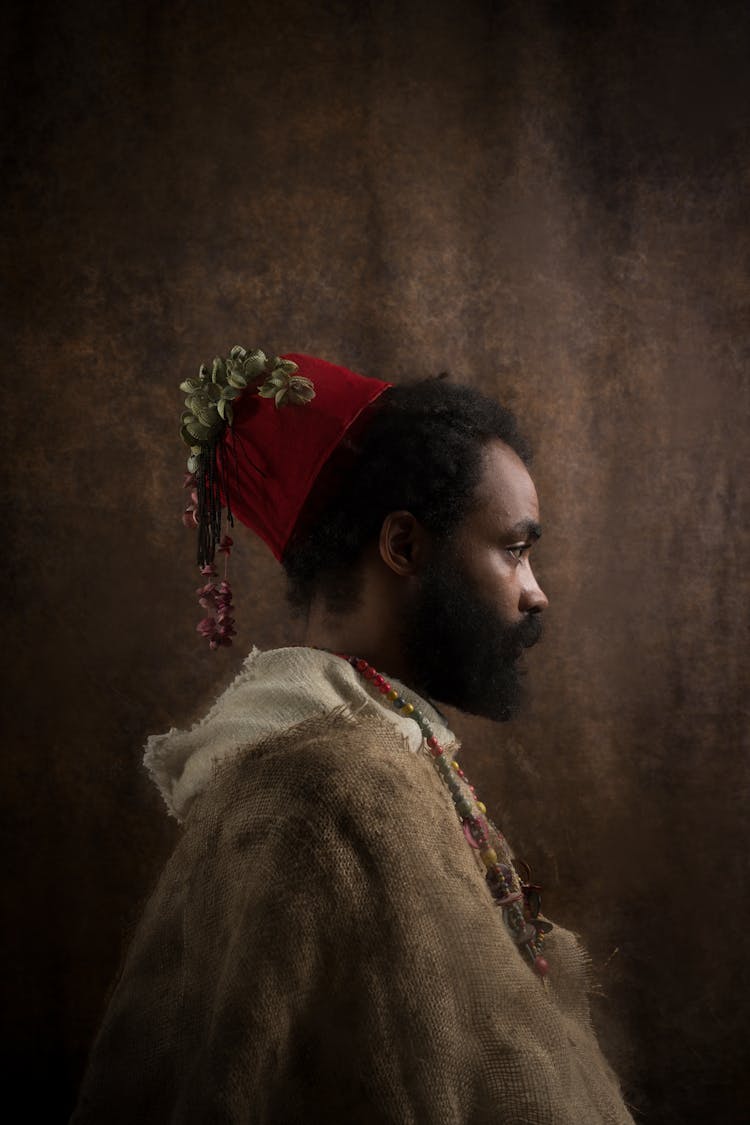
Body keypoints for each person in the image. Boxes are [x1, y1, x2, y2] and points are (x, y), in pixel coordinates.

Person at [72, 347, 634, 1123]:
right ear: (403, 546)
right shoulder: (320, 785)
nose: (535, 592)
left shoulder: (383, 748)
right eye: (514, 547)